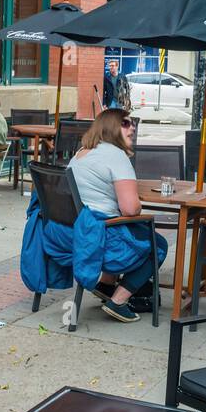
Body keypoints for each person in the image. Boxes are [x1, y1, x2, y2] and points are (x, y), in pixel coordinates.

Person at [64, 109, 169, 323]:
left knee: (130, 226)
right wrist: (135, 203)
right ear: (110, 127)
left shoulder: (81, 153)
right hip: (104, 239)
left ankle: (105, 285)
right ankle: (118, 301)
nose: (132, 127)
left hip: (79, 234)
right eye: (125, 123)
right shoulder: (116, 156)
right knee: (158, 244)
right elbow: (130, 210)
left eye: (132, 124)